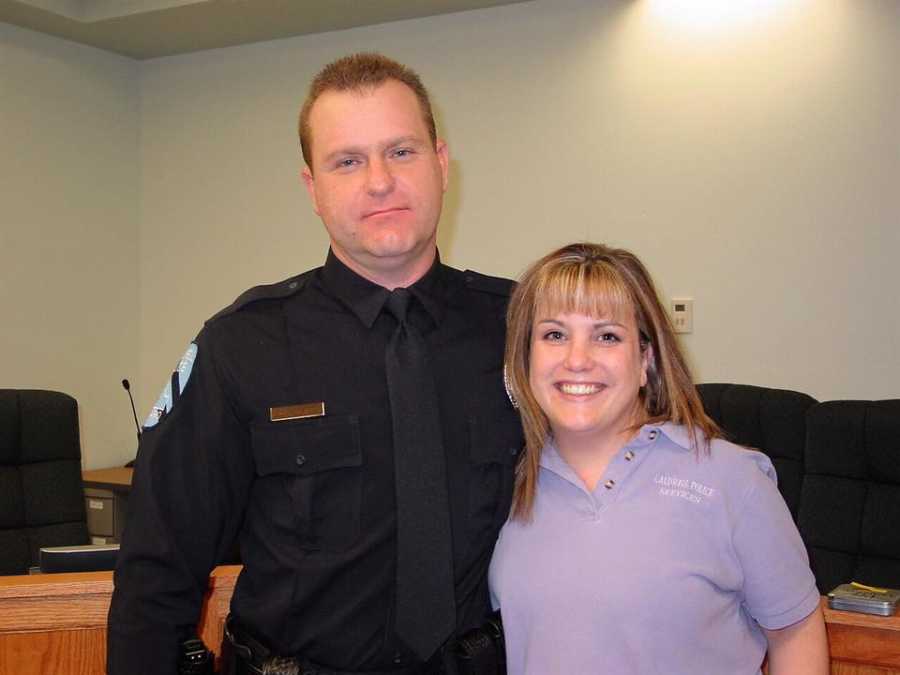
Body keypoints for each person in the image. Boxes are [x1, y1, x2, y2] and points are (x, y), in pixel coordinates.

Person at [107, 53, 522, 675]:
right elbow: (157, 571)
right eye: (347, 161)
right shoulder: (240, 347)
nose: (379, 181)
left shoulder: (524, 329)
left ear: (440, 164)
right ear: (313, 189)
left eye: (401, 152)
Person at [489, 243, 829, 674]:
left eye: (607, 336)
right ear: (526, 355)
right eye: (554, 334)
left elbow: (796, 631)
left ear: (645, 359)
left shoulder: (731, 481)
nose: (577, 359)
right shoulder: (505, 486)